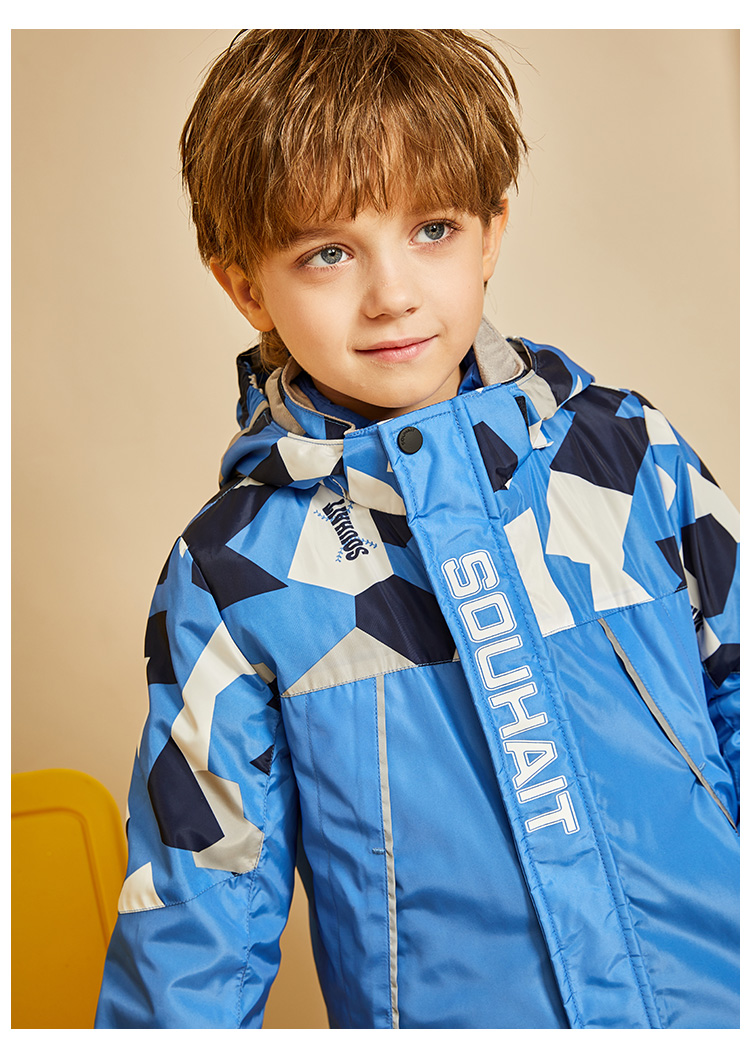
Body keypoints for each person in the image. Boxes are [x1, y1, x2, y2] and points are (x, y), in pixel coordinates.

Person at [95, 29, 739, 1030]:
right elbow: (199, 914)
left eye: (433, 229)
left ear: (492, 230)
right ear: (246, 286)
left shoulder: (626, 456)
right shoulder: (237, 573)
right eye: (327, 252)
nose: (392, 293)